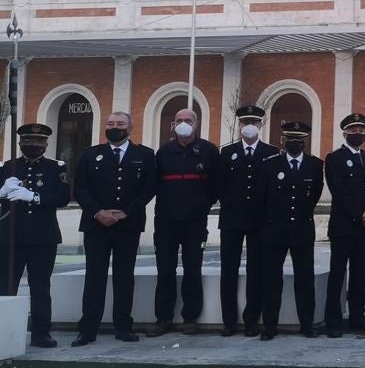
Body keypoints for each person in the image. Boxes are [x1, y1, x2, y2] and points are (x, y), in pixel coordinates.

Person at [72, 111, 157, 347]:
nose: (114, 127)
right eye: (110, 124)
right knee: (94, 277)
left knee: (124, 276)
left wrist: (126, 212)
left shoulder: (144, 155)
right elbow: (80, 188)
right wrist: (98, 212)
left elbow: (149, 188)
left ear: (130, 128)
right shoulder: (91, 154)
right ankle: (87, 329)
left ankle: (123, 326)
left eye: (120, 124)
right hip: (95, 224)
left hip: (127, 225)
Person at [149, 108, 221, 337]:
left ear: (196, 123)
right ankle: (163, 318)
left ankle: (190, 318)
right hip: (166, 220)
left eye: (188, 120)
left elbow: (217, 186)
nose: (183, 123)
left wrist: (201, 205)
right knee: (165, 270)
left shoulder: (209, 151)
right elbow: (154, 184)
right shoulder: (164, 152)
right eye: (179, 120)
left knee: (192, 269)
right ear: (173, 124)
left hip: (195, 221)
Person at [0, 123, 70, 348]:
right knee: (5, 286)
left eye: (38, 142)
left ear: (46, 144)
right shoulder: (8, 166)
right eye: (28, 141)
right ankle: (5, 329)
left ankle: (41, 332)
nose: (33, 145)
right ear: (20, 143)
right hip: (11, 238)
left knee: (40, 287)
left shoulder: (55, 167)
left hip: (43, 237)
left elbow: (62, 198)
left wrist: (34, 197)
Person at [259, 121, 323, 340]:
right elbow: (263, 197)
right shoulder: (270, 165)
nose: (294, 143)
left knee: (305, 279)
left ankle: (307, 324)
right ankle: (269, 326)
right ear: (283, 140)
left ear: (304, 142)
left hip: (302, 229)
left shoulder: (315, 165)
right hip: (274, 230)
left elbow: (313, 196)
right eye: (290, 139)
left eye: (298, 140)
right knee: (271, 280)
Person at [217, 105, 277, 338]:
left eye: (253, 123)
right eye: (245, 123)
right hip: (232, 218)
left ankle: (251, 319)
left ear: (261, 125)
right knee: (228, 270)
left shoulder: (271, 152)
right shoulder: (227, 152)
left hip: (260, 220)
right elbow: (220, 184)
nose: (249, 127)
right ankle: (229, 321)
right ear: (240, 126)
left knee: (256, 271)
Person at [323, 113, 365, 337]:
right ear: (345, 132)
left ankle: (357, 316)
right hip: (344, 226)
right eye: (354, 130)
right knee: (337, 274)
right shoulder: (334, 158)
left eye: (361, 131)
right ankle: (333, 320)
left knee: (359, 273)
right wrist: (360, 214)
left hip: (364, 227)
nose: (358, 134)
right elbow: (339, 192)